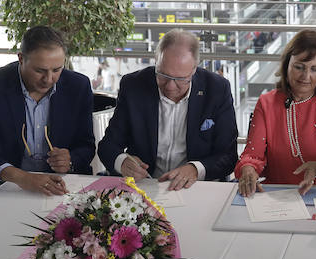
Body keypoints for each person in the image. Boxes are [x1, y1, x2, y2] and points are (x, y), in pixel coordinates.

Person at [0, 26, 95, 205]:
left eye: (57, 69)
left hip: (62, 187)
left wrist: (70, 160)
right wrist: (19, 177)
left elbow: (86, 145)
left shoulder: (78, 86)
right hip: (3, 187)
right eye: (40, 70)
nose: (49, 79)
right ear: (21, 59)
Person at [98, 30, 238, 190]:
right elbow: (107, 146)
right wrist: (122, 162)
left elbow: (228, 156)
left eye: (180, 79)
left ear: (194, 70)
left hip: (198, 186)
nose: (171, 86)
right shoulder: (133, 85)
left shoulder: (217, 88)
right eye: (163, 76)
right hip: (147, 185)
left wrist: (195, 169)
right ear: (156, 61)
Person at [236, 30, 316, 196]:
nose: (306, 76)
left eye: (315, 69)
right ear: (286, 64)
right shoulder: (266, 103)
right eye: (299, 67)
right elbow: (252, 155)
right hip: (276, 195)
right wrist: (248, 170)